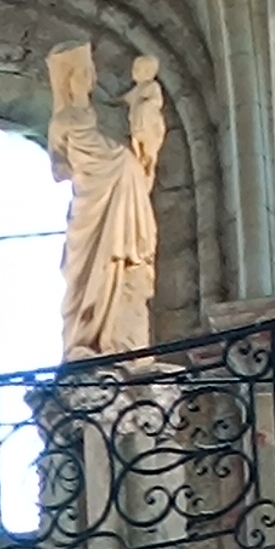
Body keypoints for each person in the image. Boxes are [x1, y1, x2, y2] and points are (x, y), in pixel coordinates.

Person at [48, 38, 167, 354]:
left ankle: (119, 341)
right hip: (91, 203)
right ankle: (86, 337)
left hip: (122, 194)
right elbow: (59, 168)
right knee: (89, 272)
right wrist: (97, 163)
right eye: (80, 73)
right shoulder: (63, 119)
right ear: (68, 79)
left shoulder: (98, 114)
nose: (87, 78)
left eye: (89, 72)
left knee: (123, 266)